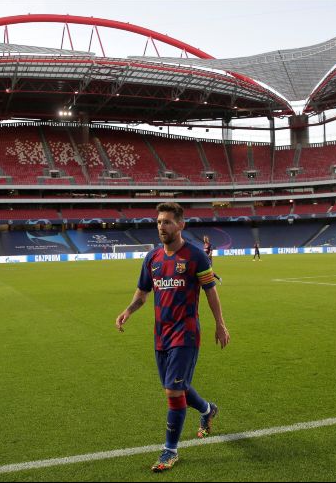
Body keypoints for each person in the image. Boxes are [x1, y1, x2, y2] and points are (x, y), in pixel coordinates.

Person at [115, 202, 230, 473]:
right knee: (177, 387)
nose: (161, 227)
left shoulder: (195, 256)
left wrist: (220, 324)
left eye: (167, 221)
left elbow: (210, 291)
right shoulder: (152, 258)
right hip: (161, 335)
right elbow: (143, 292)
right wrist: (128, 311)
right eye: (158, 222)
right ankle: (208, 410)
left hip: (185, 333)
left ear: (180, 225)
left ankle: (170, 450)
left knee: (173, 391)